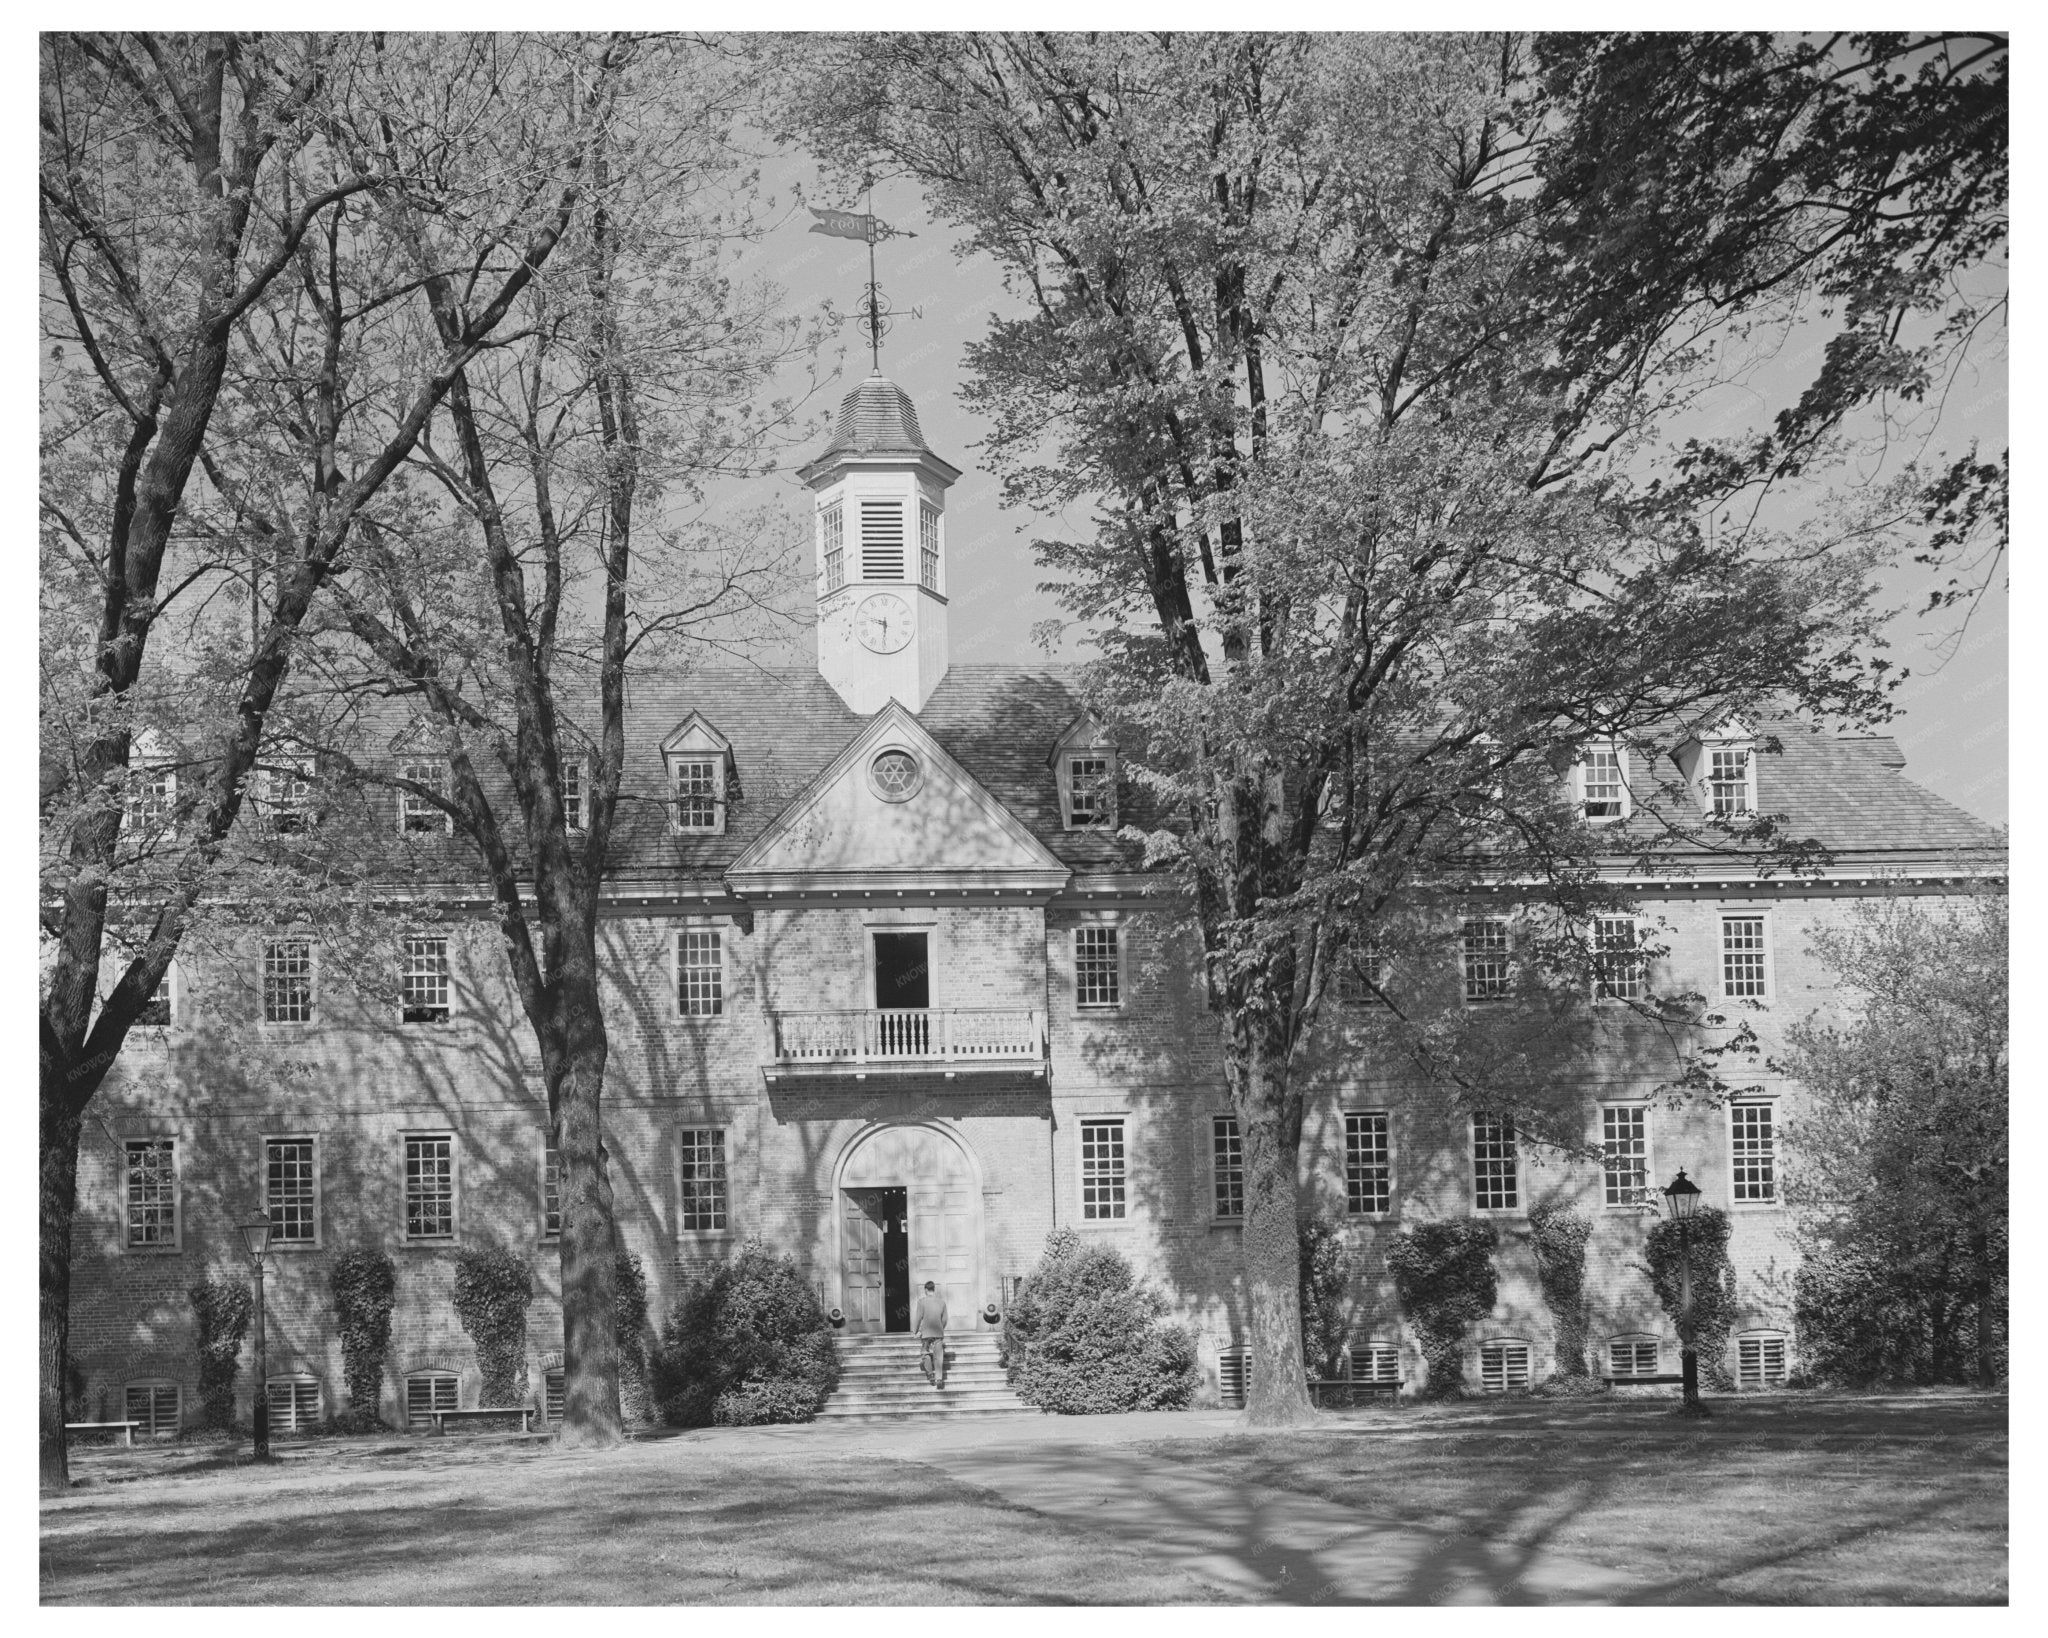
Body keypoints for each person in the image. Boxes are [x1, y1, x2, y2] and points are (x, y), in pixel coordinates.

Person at [912, 1279, 947, 1388]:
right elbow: (945, 1319)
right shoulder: (942, 1302)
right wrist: (941, 1328)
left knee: (925, 1353)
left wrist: (915, 1331)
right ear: (934, 1290)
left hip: (926, 1333)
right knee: (938, 1357)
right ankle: (939, 1379)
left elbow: (918, 1318)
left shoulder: (921, 1302)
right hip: (938, 1333)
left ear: (926, 1290)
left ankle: (930, 1373)